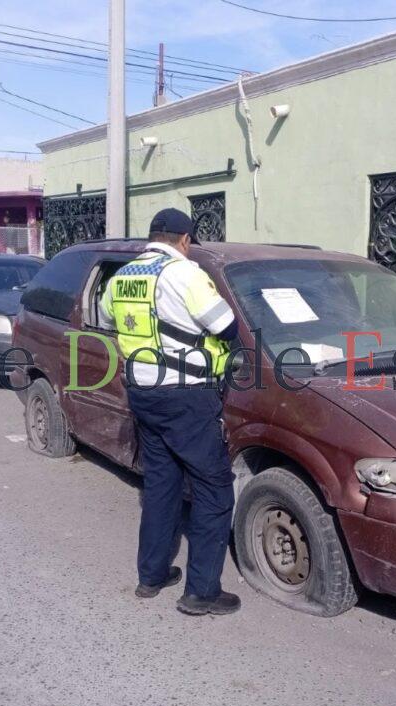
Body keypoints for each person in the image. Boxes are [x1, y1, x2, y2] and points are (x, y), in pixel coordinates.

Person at [100, 208, 241, 616]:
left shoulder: (125, 275)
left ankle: (152, 575)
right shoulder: (185, 274)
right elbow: (227, 327)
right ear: (184, 240)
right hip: (187, 396)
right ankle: (201, 591)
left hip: (143, 393)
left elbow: (111, 318)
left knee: (161, 485)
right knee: (214, 489)